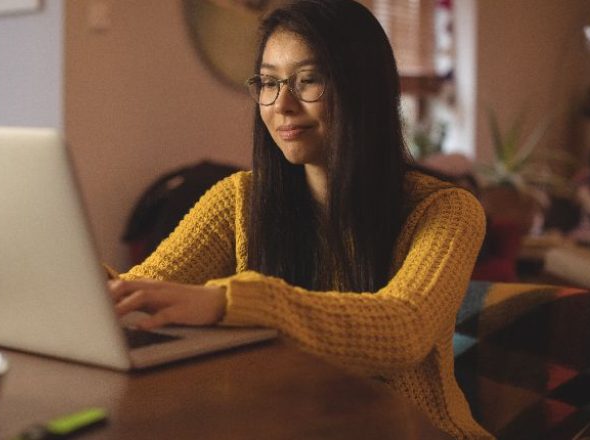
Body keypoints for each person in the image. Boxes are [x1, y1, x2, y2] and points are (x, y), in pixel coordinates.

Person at [109, 1, 490, 438]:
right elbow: (145, 289)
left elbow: (403, 327)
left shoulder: (446, 210)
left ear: (362, 86)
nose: (282, 105)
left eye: (308, 80)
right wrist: (93, 289)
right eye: (268, 83)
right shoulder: (237, 200)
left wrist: (228, 304)